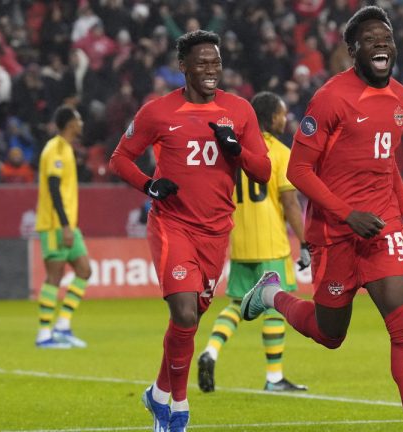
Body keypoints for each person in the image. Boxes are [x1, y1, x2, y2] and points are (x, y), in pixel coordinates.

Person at [238, 8, 403, 432]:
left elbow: (387, 162)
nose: (381, 44)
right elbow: (298, 170)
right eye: (370, 39)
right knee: (330, 334)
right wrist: (346, 214)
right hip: (334, 230)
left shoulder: (402, 98)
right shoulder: (330, 98)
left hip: (382, 226)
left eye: (387, 38)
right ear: (352, 50)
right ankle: (271, 295)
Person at [108, 30, 271, 432]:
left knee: (191, 320)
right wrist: (149, 185)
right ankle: (176, 410)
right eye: (202, 62)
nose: (211, 69)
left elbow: (264, 171)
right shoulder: (157, 112)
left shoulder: (240, 110)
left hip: (217, 231)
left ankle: (158, 392)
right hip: (172, 224)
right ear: (183, 67)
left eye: (215, 62)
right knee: (183, 313)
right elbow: (119, 159)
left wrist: (237, 150)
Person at [197, 92, 309, 394]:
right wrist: (305, 241)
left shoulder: (234, 151)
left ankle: (210, 351)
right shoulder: (279, 152)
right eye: (282, 113)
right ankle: (274, 377)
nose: (285, 119)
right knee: (275, 307)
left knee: (236, 305)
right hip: (271, 242)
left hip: (241, 242)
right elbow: (291, 204)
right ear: (271, 117)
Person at [34, 106, 92, 349]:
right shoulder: (55, 148)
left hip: (68, 224)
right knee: (55, 277)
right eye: (78, 119)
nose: (81, 123)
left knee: (84, 271)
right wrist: (66, 226)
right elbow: (54, 188)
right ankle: (44, 334)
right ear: (70, 123)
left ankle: (62, 325)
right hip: (55, 225)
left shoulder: (66, 148)